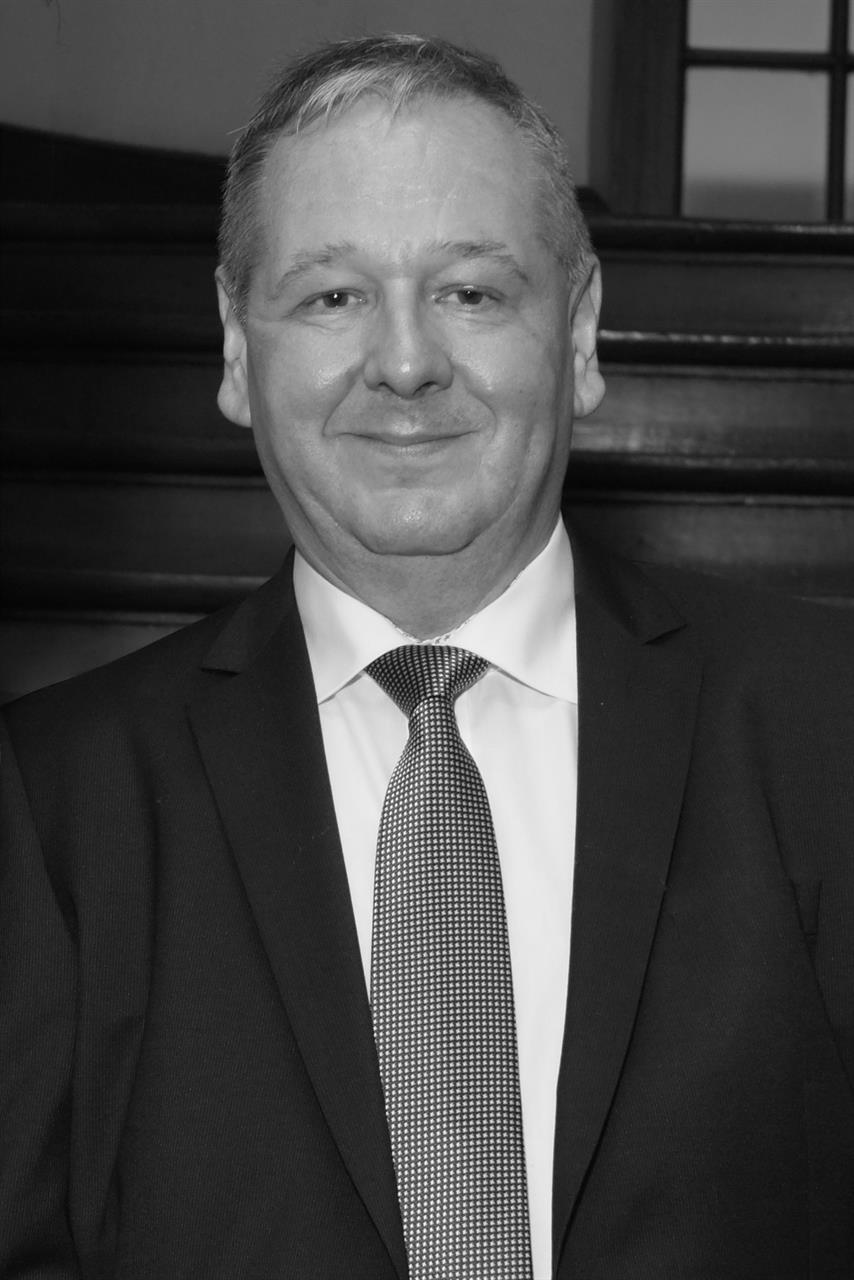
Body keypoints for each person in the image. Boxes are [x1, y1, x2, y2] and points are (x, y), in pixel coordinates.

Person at [1, 33, 852, 1280]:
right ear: (236, 347)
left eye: (469, 291)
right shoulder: (50, 803)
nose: (404, 362)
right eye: (331, 296)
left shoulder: (826, 721)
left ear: (578, 333)